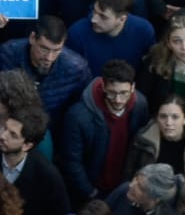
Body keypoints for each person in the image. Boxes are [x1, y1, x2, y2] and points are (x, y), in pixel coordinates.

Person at [61, 59, 149, 207]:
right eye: (112, 93)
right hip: (92, 191)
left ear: (133, 87)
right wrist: (90, 192)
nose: (118, 100)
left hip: (124, 188)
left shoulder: (140, 106)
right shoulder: (78, 116)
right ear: (103, 86)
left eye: (124, 93)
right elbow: (71, 161)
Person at [126, 94, 185, 215]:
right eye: (163, 116)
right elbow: (129, 174)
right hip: (147, 207)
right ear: (157, 118)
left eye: (175, 117)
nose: (168, 122)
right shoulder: (144, 139)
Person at [0, 17, 93, 122]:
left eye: (56, 50)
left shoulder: (76, 69)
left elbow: (77, 111)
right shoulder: (7, 54)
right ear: (32, 38)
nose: (49, 57)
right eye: (44, 49)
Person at [0, 106, 70, 215]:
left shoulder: (47, 176)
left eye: (13, 135)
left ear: (27, 145)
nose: (2, 136)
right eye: (4, 128)